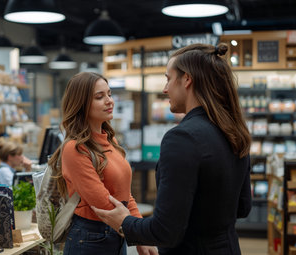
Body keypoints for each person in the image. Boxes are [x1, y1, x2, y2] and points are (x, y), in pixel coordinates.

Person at [92, 43, 252, 255]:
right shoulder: (234, 131)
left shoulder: (182, 138)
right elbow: (242, 208)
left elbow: (166, 231)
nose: (165, 89)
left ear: (187, 79)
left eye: (168, 78)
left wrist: (125, 222)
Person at [48, 72, 157, 255]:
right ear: (81, 104)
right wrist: (136, 232)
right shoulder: (75, 148)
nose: (109, 101)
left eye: (109, 94)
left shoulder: (111, 141)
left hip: (116, 232)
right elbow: (103, 203)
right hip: (90, 238)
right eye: (100, 97)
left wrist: (141, 235)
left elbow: (124, 194)